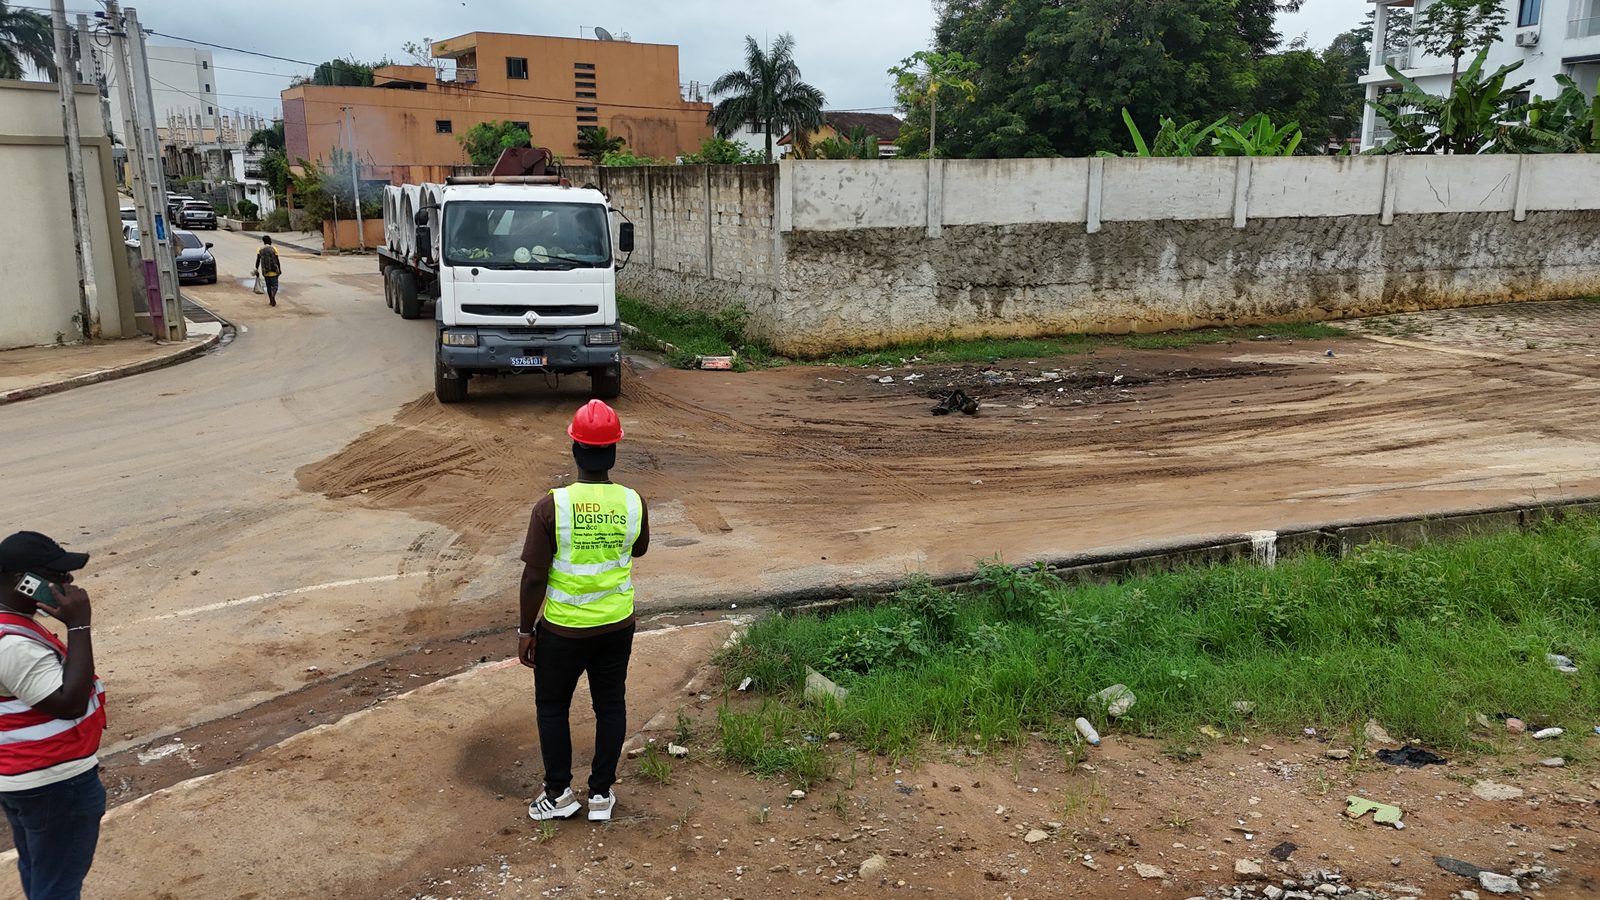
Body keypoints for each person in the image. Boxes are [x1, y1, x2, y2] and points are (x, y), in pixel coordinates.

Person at [519, 400, 649, 824]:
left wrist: (525, 631)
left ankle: (558, 794)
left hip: (563, 630)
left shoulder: (551, 507)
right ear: (614, 451)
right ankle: (600, 795)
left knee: (552, 706)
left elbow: (534, 577)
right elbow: (639, 549)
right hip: (616, 625)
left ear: (575, 449)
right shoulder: (633, 502)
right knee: (610, 705)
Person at [0, 532, 107, 900]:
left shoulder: (10, 623)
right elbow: (69, 703)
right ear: (23, 581)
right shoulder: (11, 644)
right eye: (57, 575)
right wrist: (78, 625)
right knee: (57, 885)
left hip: (23, 776)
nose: (69, 582)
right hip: (54, 783)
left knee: (39, 868)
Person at [252, 235, 282, 307]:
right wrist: (279, 269)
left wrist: (256, 270)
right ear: (269, 241)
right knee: (275, 286)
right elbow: (277, 260)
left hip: (265, 271)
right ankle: (273, 295)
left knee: (268, 287)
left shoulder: (260, 249)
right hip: (274, 270)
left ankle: (271, 301)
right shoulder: (273, 248)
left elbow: (258, 260)